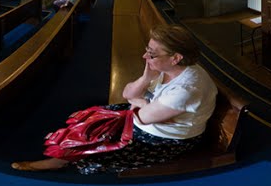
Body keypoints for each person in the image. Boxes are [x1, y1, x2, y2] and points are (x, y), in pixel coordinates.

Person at [12, 25, 218, 174]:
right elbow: (128, 94)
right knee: (92, 118)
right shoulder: (165, 67)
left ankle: (58, 162)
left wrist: (142, 103)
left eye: (152, 53)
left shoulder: (186, 88)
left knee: (96, 148)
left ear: (176, 58)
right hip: (147, 118)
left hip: (164, 140)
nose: (145, 56)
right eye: (148, 49)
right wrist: (146, 79)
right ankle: (62, 157)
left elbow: (144, 117)